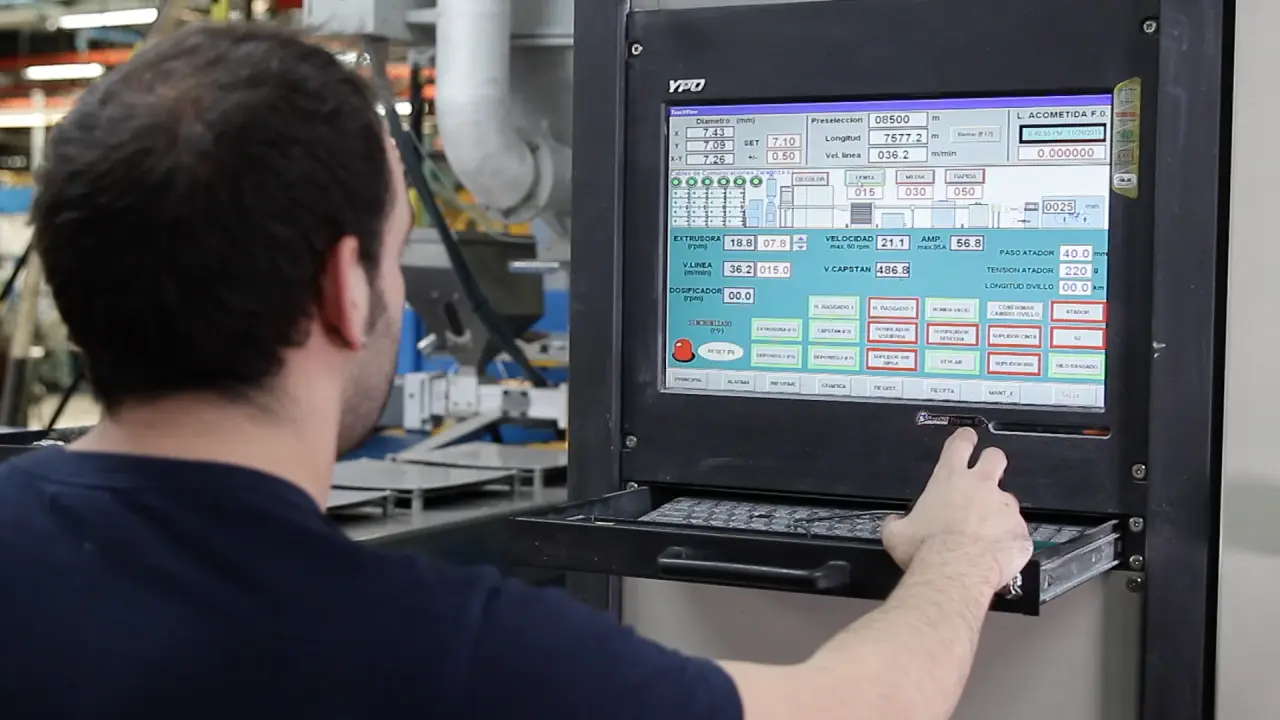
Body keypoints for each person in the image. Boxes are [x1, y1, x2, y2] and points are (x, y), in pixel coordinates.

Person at [0, 24, 1033, 720]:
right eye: (394, 255)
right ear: (344, 290)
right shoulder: (438, 654)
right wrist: (957, 557)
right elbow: (850, 707)